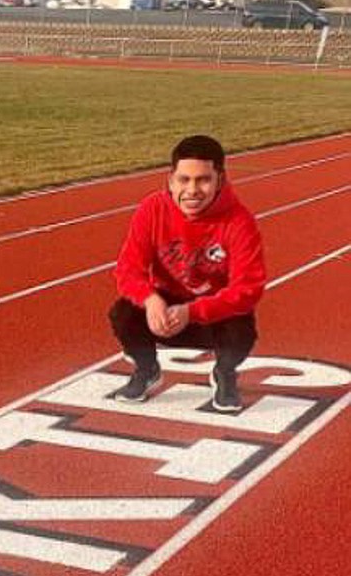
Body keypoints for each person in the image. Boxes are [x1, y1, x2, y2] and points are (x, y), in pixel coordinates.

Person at [108, 134, 266, 413]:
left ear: (220, 178)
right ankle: (146, 369)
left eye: (203, 179)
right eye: (184, 180)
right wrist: (150, 300)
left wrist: (192, 312)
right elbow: (128, 269)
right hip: (167, 311)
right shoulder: (152, 209)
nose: (192, 189)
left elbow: (248, 289)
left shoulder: (239, 221)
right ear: (171, 180)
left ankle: (225, 373)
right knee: (123, 313)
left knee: (242, 328)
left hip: (212, 316)